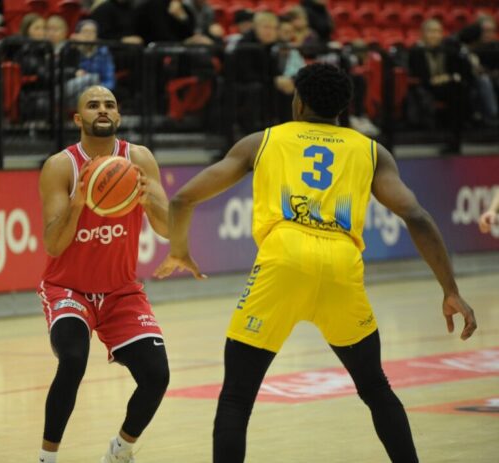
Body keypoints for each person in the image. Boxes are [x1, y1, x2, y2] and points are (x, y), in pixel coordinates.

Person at [154, 63, 477, 463]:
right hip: (341, 264)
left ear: (299, 102)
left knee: (237, 397)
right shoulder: (371, 151)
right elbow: (416, 216)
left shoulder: (262, 141)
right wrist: (450, 289)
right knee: (376, 388)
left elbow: (182, 199)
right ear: (343, 107)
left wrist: (179, 250)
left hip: (283, 259)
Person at [37, 85, 171, 463]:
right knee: (73, 359)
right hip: (69, 289)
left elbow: (167, 228)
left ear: (118, 116)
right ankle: (47, 458)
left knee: (157, 376)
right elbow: (53, 245)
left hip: (120, 292)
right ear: (78, 118)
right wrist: (79, 202)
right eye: (93, 105)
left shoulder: (139, 158)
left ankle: (120, 451)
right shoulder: (60, 166)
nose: (102, 110)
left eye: (109, 105)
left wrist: (147, 201)